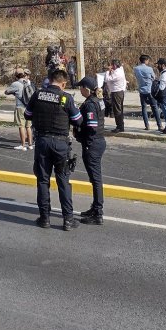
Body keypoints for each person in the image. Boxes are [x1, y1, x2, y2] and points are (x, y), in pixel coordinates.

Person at [24, 66, 82, 231]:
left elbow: (27, 115)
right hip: (60, 144)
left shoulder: (38, 94)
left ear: (50, 81)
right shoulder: (65, 98)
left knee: (43, 180)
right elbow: (78, 120)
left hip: (42, 142)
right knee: (63, 181)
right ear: (63, 84)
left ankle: (44, 218)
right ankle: (68, 220)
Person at [74, 76, 106, 225]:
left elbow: (92, 125)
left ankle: (98, 213)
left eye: (81, 88)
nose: (79, 90)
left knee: (96, 179)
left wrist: (79, 128)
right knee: (95, 179)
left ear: (86, 89)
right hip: (98, 142)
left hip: (92, 144)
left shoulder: (90, 104)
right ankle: (95, 207)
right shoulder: (97, 100)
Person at [4, 69, 34, 150]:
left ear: (16, 76)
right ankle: (30, 144)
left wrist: (13, 92)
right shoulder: (28, 82)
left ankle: (23, 145)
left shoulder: (16, 84)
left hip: (20, 107)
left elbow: (6, 92)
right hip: (29, 107)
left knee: (21, 126)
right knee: (28, 126)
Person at [134, 55, 162, 132]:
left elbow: (136, 77)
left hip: (141, 90)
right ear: (146, 60)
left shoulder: (136, 69)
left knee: (144, 108)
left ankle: (147, 125)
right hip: (150, 90)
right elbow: (153, 77)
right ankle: (159, 125)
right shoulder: (149, 69)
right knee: (154, 107)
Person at [104, 59, 127, 132]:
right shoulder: (120, 69)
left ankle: (119, 126)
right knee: (119, 109)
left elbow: (107, 79)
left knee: (117, 110)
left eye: (112, 65)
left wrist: (108, 71)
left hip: (116, 92)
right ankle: (120, 125)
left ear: (114, 65)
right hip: (120, 91)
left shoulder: (117, 73)